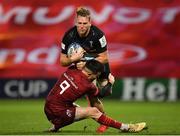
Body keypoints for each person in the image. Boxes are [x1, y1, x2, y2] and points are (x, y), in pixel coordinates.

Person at [44, 60, 147, 133]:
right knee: (93, 111)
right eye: (97, 75)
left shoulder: (72, 69)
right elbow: (102, 94)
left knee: (78, 109)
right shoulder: (87, 85)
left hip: (48, 106)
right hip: (58, 113)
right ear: (92, 74)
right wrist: (110, 83)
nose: (97, 77)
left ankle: (55, 126)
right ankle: (126, 127)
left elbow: (76, 62)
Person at [60, 6, 111, 133]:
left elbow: (104, 58)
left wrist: (86, 62)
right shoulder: (68, 36)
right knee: (92, 96)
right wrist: (73, 60)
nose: (82, 26)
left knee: (106, 91)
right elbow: (62, 61)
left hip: (100, 66)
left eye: (85, 23)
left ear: (90, 23)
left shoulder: (98, 35)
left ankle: (109, 83)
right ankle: (105, 122)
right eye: (79, 23)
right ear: (76, 22)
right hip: (86, 70)